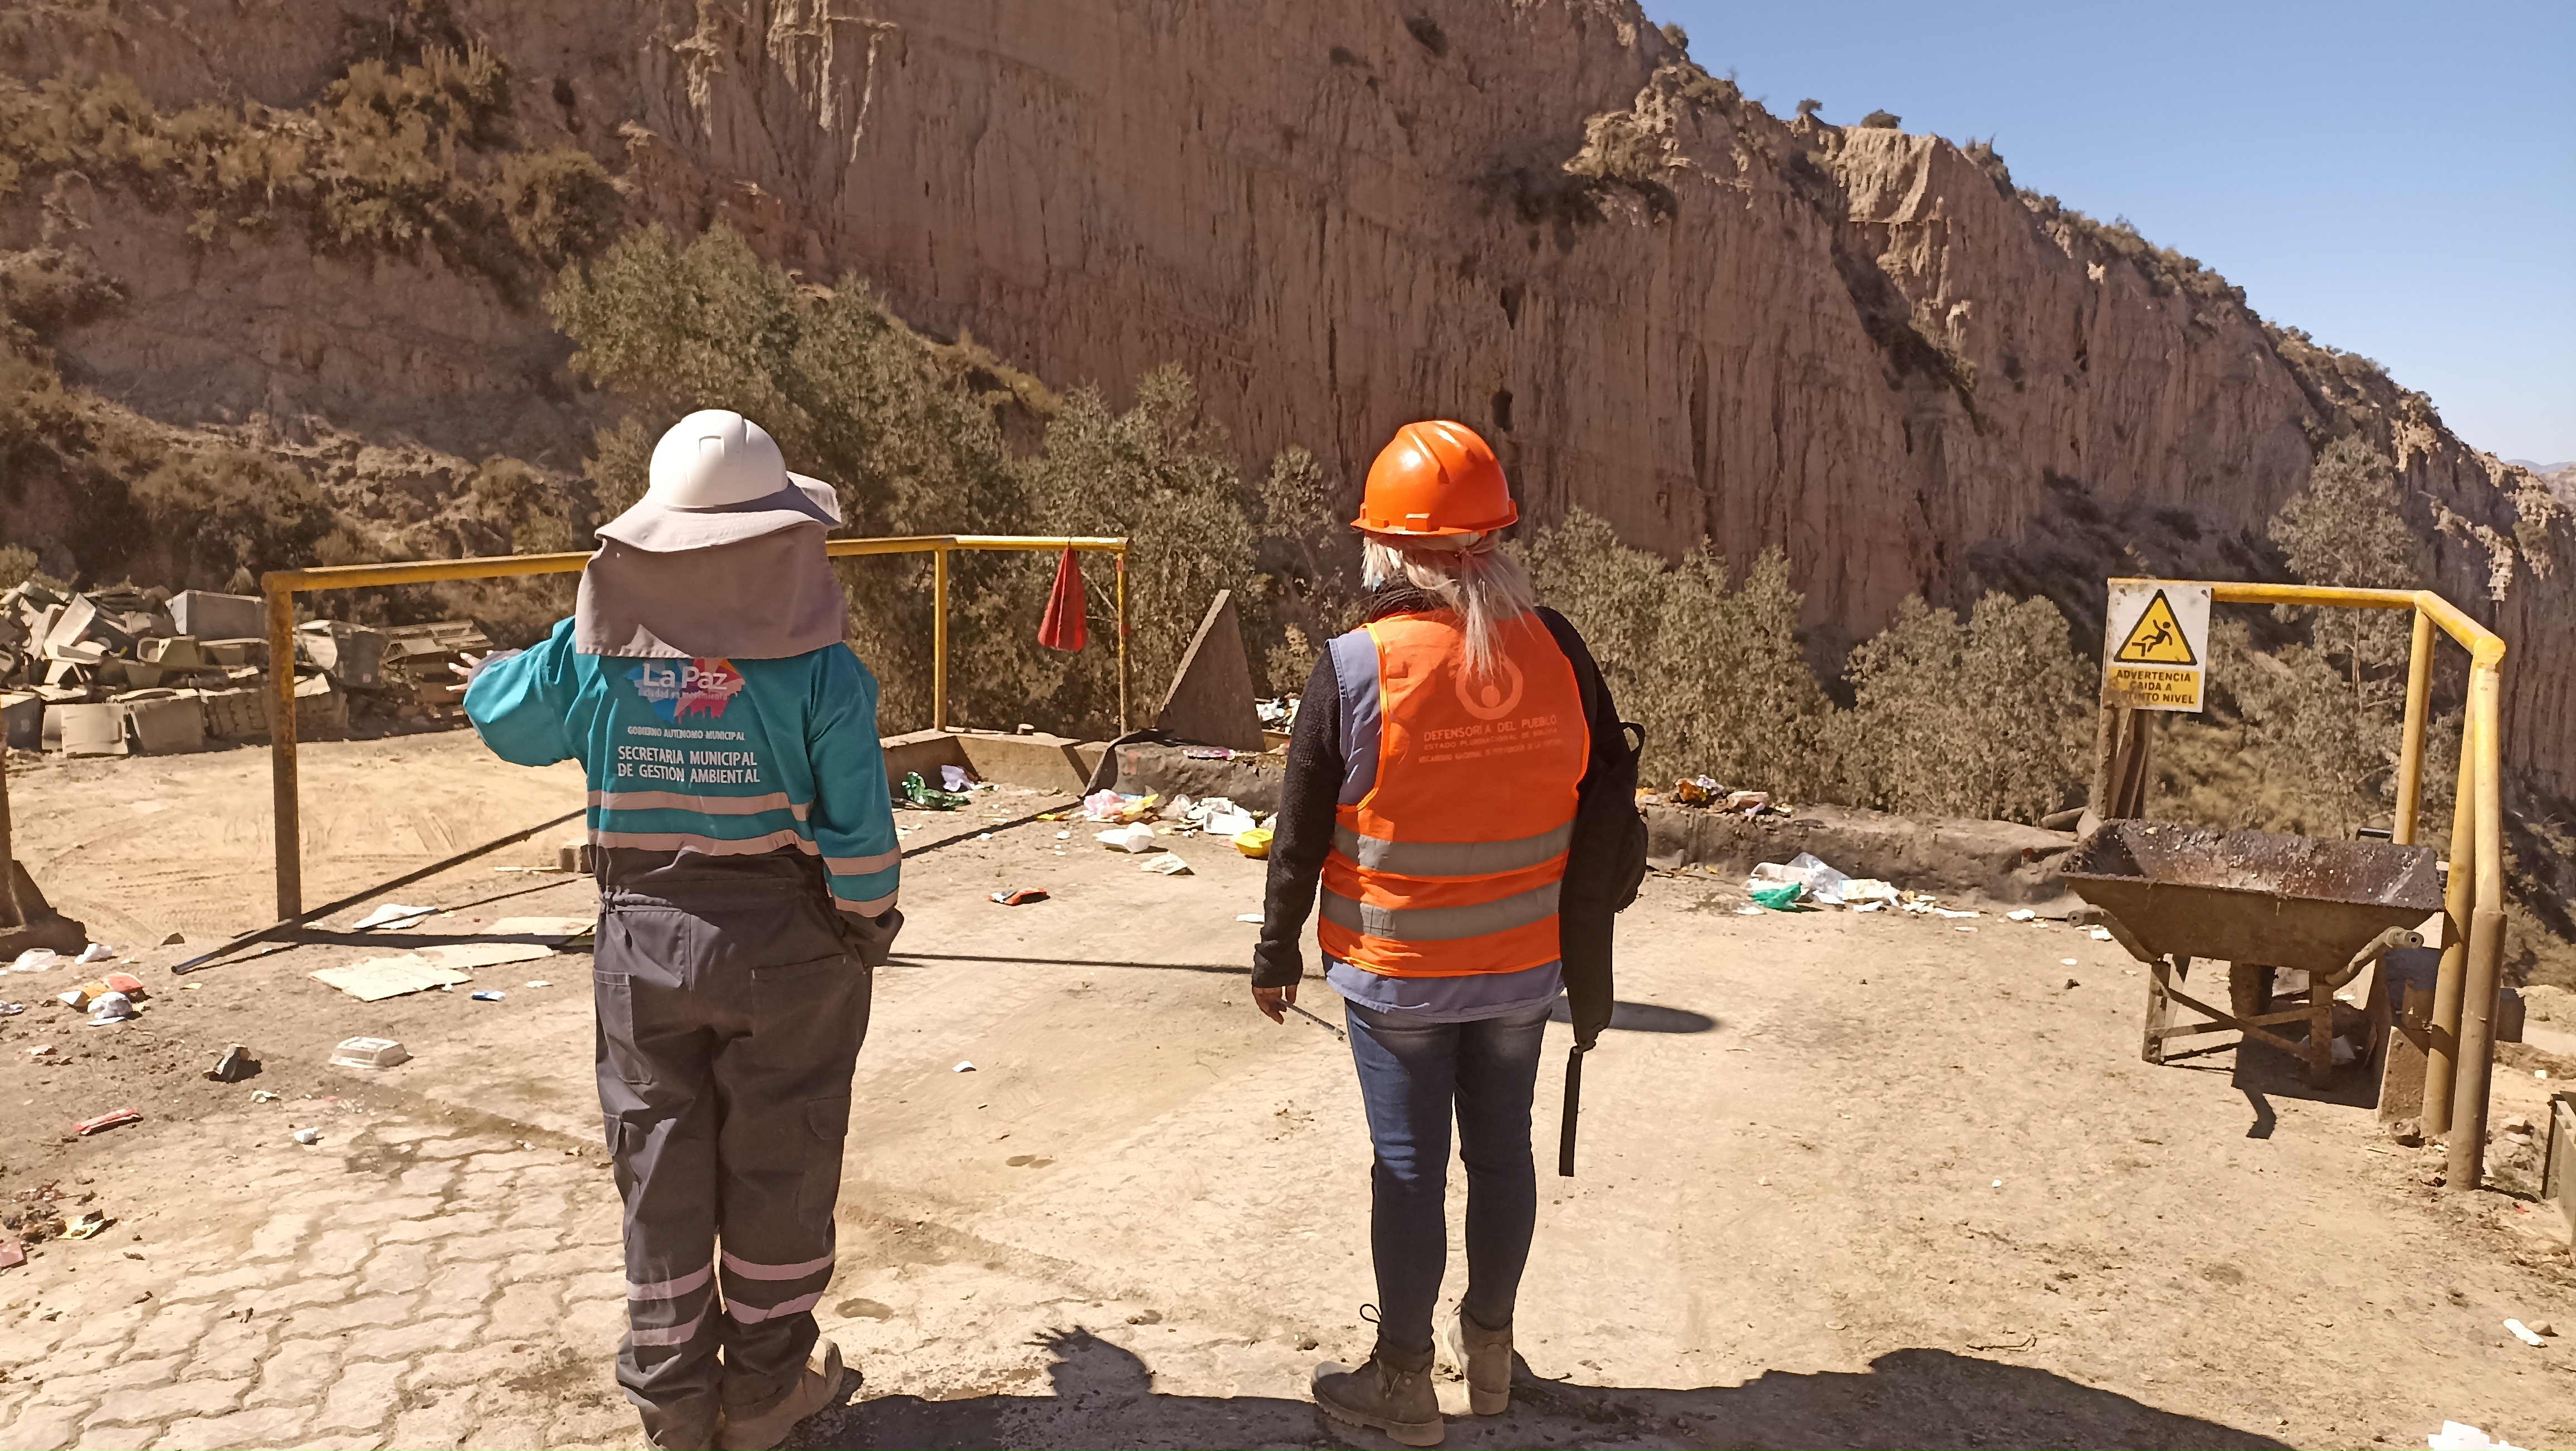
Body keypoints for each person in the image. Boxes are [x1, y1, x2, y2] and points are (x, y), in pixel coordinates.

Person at [462, 410, 902, 1451]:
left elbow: (500, 716)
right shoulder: (824, 669)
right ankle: (766, 1393)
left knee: (656, 1160)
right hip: (788, 944)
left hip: (642, 938)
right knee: (782, 1160)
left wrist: (553, 643)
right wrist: (867, 922)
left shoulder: (591, 654)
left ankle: (672, 1402)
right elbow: (861, 837)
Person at [1253, 420, 1641, 1447]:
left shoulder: (1354, 668)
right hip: (1522, 968)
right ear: (1497, 540)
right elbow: (1610, 794)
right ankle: (1493, 1358)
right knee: (1503, 1155)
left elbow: (1299, 835)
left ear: (1386, 549)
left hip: (1399, 975)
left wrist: (1275, 953)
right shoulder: (1557, 649)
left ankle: (1403, 1384)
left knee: (1410, 1171)